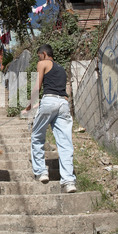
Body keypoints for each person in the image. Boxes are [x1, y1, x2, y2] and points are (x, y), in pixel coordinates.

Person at [21, 44, 77, 193]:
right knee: (65, 142)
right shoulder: (61, 69)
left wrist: (28, 106)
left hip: (49, 102)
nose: (39, 59)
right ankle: (69, 181)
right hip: (63, 104)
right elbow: (57, 91)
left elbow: (37, 87)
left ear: (44, 54)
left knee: (37, 136)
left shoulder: (43, 63)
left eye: (39, 56)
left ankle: (41, 172)